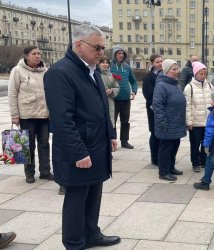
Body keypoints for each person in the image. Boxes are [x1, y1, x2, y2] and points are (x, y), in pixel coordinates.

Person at [44, 24, 121, 249]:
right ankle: (74, 242)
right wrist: (78, 151)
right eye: (97, 47)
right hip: (78, 150)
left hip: (97, 144)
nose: (101, 53)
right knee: (77, 198)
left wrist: (111, 134)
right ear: (79, 44)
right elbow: (62, 119)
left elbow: (102, 106)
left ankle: (91, 233)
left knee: (94, 192)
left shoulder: (92, 70)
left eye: (103, 48)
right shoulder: (60, 72)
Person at [8, 46, 53, 184]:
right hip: (27, 115)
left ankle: (45, 171)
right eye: (34, 54)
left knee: (44, 144)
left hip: (44, 115)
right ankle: (29, 173)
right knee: (28, 146)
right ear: (26, 56)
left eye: (39, 53)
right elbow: (12, 93)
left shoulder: (45, 71)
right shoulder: (17, 71)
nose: (38, 56)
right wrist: (15, 115)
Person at [153, 59, 186, 181]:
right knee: (166, 148)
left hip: (176, 122)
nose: (177, 71)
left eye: (177, 69)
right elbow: (157, 105)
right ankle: (164, 172)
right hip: (167, 124)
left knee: (174, 146)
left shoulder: (174, 84)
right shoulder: (161, 85)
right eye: (174, 69)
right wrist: (163, 123)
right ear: (166, 70)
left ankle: (171, 167)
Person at [184, 61, 214, 172]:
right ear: (195, 74)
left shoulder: (210, 86)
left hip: (208, 121)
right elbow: (187, 106)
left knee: (206, 143)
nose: (203, 76)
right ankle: (195, 163)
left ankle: (204, 160)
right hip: (196, 122)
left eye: (204, 74)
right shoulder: (189, 87)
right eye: (200, 74)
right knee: (195, 144)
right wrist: (189, 122)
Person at [110, 45, 138, 149]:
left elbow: (134, 81)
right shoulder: (109, 66)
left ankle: (124, 141)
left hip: (126, 99)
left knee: (125, 121)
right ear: (114, 54)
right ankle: (112, 142)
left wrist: (134, 91)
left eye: (122, 53)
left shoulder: (126, 67)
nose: (121, 55)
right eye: (118, 53)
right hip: (113, 99)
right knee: (112, 121)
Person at [142, 54, 163, 166]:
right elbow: (148, 94)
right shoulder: (149, 77)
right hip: (153, 109)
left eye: (161, 61)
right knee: (155, 133)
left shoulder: (164, 75)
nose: (160, 64)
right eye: (157, 62)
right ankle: (154, 158)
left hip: (164, 109)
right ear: (152, 64)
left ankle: (161, 156)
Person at [98, 56, 120, 129]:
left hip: (110, 101)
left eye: (106, 63)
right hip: (99, 101)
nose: (105, 64)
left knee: (110, 121)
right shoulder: (96, 74)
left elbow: (117, 87)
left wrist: (112, 90)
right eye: (103, 62)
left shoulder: (111, 76)